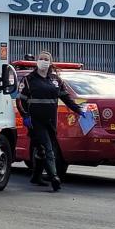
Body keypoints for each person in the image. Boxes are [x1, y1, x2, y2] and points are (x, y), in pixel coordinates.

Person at [17, 51, 86, 192]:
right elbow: (20, 101)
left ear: (50, 62)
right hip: (35, 122)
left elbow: (66, 98)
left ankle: (36, 177)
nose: (43, 61)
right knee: (48, 148)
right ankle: (54, 177)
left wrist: (79, 110)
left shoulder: (56, 80)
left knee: (41, 150)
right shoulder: (29, 79)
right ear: (37, 61)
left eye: (46, 59)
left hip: (51, 121)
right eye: (41, 58)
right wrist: (25, 116)